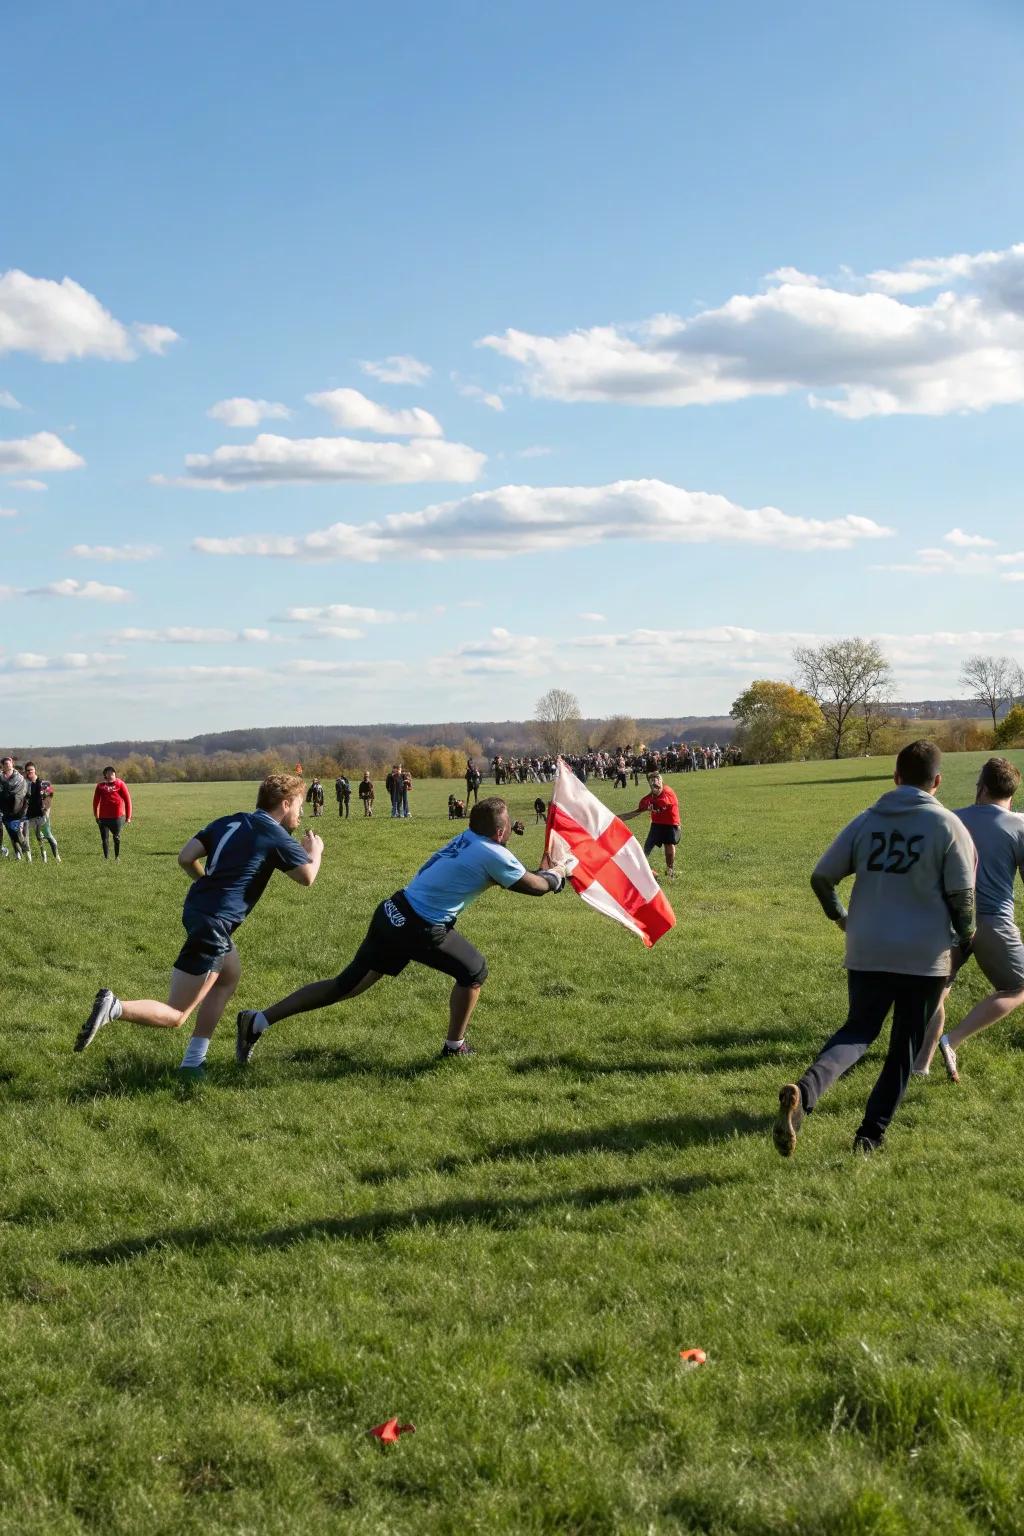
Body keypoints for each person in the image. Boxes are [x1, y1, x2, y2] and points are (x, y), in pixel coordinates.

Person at [235, 796, 570, 1064]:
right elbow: (536, 887)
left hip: (393, 911)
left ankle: (258, 1021)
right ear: (500, 833)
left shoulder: (468, 840)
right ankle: (455, 1047)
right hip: (420, 927)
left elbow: (513, 874)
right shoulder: (493, 853)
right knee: (474, 970)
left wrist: (545, 872)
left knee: (345, 986)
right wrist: (559, 874)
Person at [773, 740, 976, 1158]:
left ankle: (805, 1095)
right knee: (903, 1049)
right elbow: (962, 897)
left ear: (895, 777)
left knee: (858, 1031)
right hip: (924, 956)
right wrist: (965, 937)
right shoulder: (948, 826)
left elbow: (821, 877)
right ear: (937, 781)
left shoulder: (866, 821)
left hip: (867, 947)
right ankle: (869, 1137)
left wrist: (843, 918)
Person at [73, 774, 322, 1078]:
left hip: (197, 911)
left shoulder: (227, 821)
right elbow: (306, 877)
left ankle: (194, 1061)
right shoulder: (275, 834)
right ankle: (115, 1007)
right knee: (177, 1014)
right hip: (214, 924)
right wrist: (315, 851)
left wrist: (208, 885)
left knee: (229, 974)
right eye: (299, 805)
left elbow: (186, 857)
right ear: (285, 803)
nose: (301, 813)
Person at [914, 757, 1024, 1083]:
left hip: (948, 920)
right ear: (1011, 792)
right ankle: (953, 1040)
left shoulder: (952, 819)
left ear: (983, 787)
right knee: (1017, 987)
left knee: (936, 990)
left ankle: (921, 1063)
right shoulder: (1020, 825)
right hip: (994, 922)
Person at [620, 771, 681, 877]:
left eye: (657, 779)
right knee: (646, 849)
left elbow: (663, 802)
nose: (655, 782)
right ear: (649, 784)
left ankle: (670, 870)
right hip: (656, 824)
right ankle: (649, 873)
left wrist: (653, 804)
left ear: (662, 780)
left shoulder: (668, 792)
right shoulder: (647, 799)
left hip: (671, 823)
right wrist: (617, 818)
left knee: (669, 845)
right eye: (652, 781)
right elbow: (636, 812)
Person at [93, 765, 132, 860]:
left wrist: (128, 816)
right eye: (108, 773)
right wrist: (96, 816)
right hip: (103, 818)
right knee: (104, 839)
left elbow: (128, 800)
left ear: (115, 774)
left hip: (117, 817)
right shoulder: (100, 786)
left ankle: (117, 857)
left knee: (116, 838)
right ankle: (106, 858)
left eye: (112, 773)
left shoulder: (120, 784)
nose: (110, 775)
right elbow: (95, 802)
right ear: (105, 775)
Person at [24, 762, 60, 862]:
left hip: (43, 815)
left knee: (48, 835)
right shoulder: (26, 784)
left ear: (35, 770)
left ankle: (56, 856)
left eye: (31, 769)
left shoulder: (45, 783)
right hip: (30, 816)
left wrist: (46, 813)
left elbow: (49, 799)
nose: (29, 772)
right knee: (37, 837)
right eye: (27, 770)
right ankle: (43, 858)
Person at [0, 755, 30, 860]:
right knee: (10, 832)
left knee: (16, 833)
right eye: (5, 765)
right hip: (4, 810)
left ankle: (25, 851)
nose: (8, 766)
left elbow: (23, 792)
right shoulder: (0, 777)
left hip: (18, 809)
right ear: (2, 766)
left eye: (9, 764)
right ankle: (17, 854)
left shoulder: (20, 778)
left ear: (12, 764)